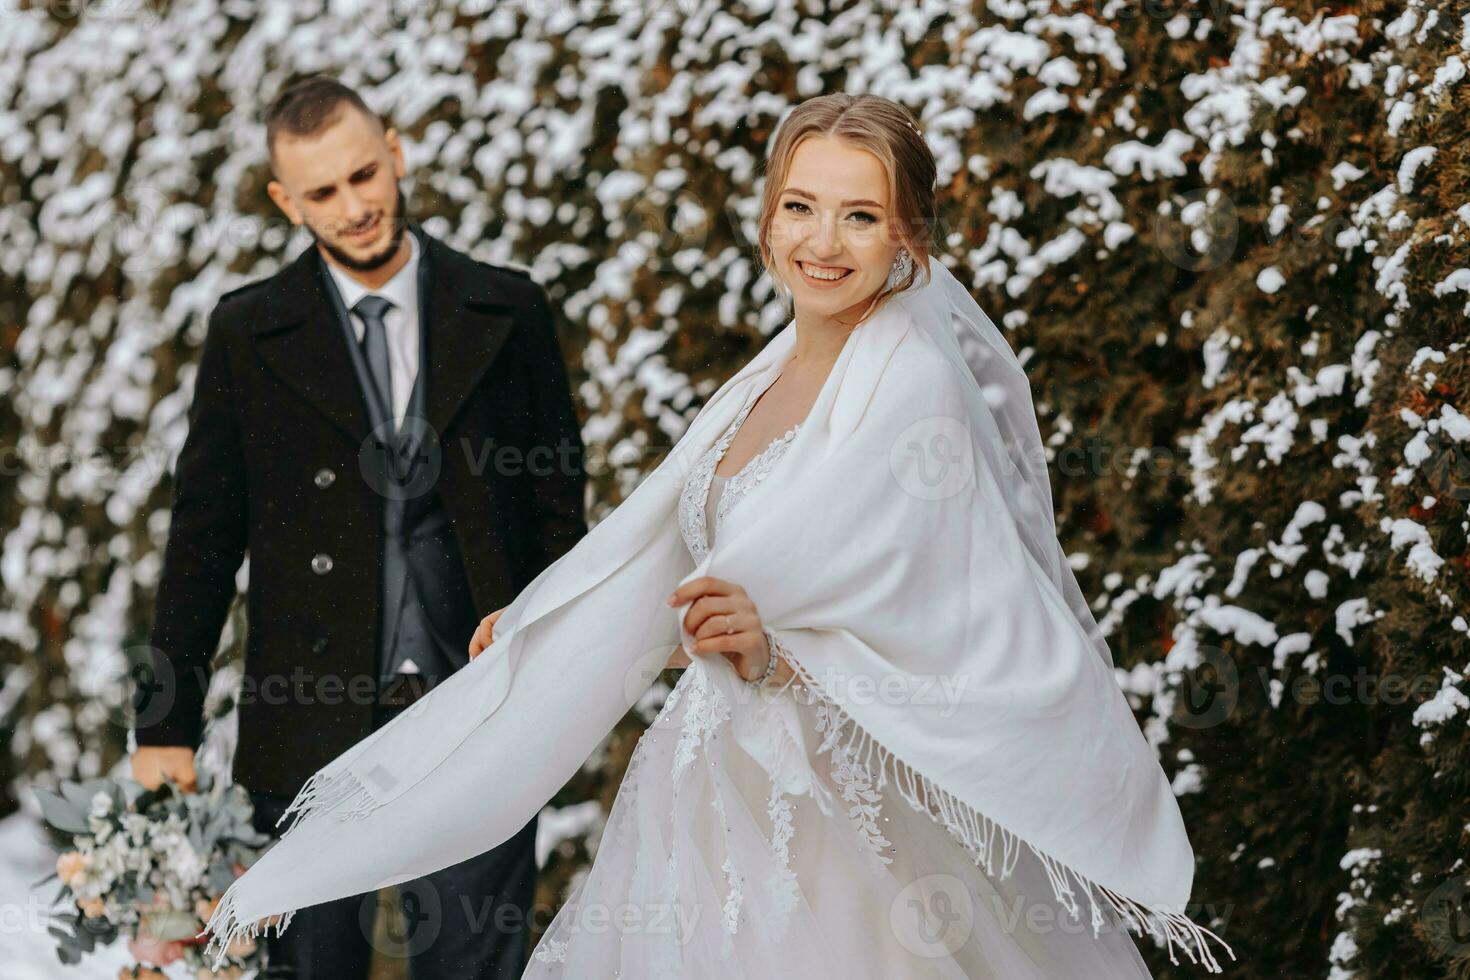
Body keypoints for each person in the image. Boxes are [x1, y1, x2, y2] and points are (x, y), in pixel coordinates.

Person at [201, 93, 1235, 978]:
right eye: (800, 207)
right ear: (767, 215)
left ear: (909, 238)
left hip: (833, 816)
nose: (821, 243)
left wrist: (779, 651)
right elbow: (658, 542)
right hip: (710, 779)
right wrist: (547, 610)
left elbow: (949, 609)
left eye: (860, 216)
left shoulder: (911, 385)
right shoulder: (776, 363)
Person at [132, 75, 587, 979]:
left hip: (477, 708)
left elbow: (556, 512)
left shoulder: (507, 309)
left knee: (475, 965)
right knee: (312, 967)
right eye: (324, 193)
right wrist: (164, 722)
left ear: (396, 152)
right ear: (284, 200)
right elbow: (204, 536)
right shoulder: (249, 333)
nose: (355, 206)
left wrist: (557, 670)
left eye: (365, 175)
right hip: (306, 719)